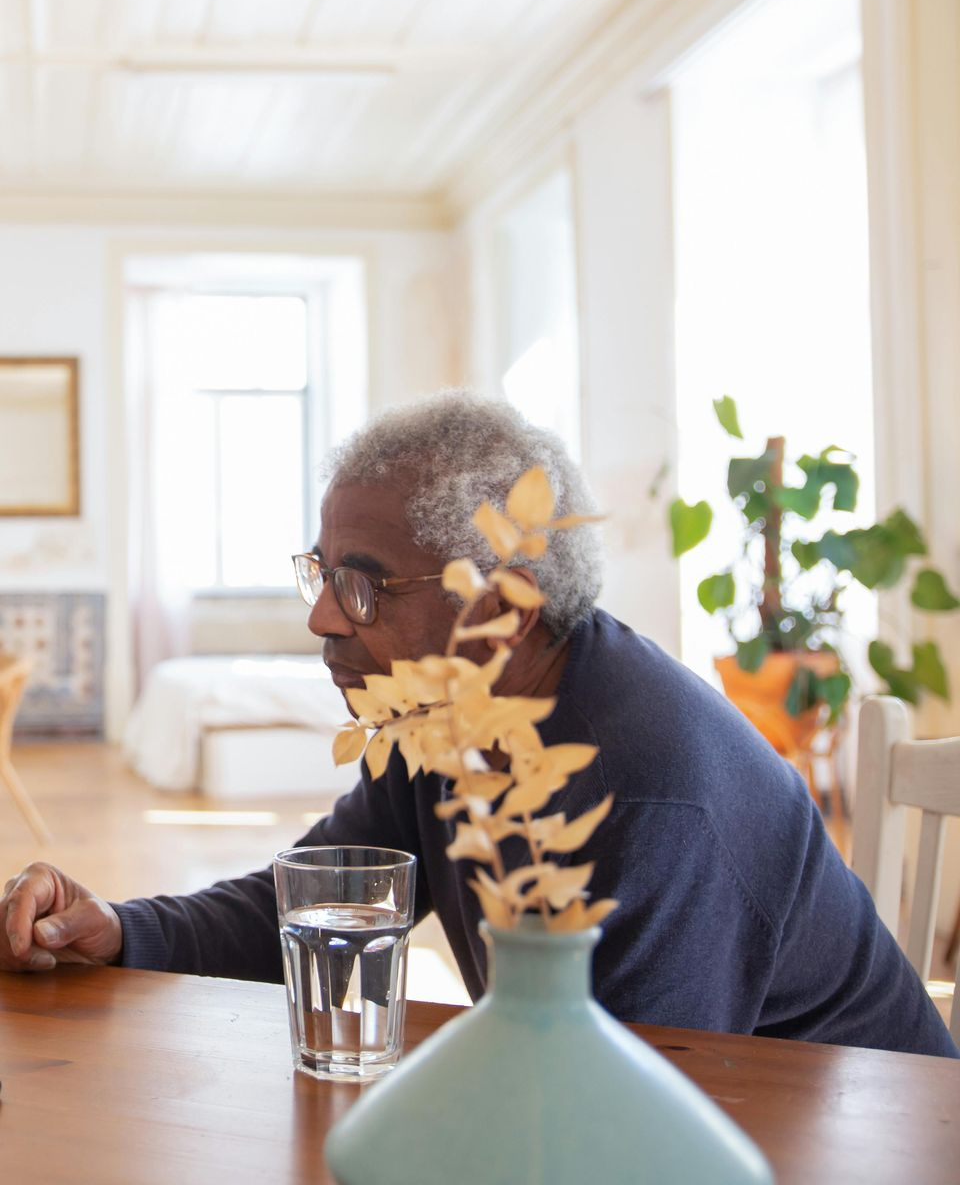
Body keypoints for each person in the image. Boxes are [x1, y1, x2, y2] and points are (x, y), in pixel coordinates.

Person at [1, 392, 956, 1058]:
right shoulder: (445, 719)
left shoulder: (658, 796)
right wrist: (120, 930)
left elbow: (617, 1119)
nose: (323, 620)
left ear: (505, 607)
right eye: (322, 573)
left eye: (364, 585)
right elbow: (314, 904)